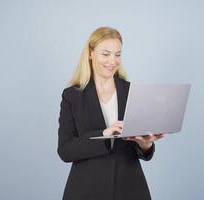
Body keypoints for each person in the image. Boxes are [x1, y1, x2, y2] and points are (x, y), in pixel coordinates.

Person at [57, 27, 164, 200]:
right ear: (91, 53)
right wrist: (104, 134)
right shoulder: (72, 96)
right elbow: (66, 150)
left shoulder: (131, 92)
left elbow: (141, 151)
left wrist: (145, 144)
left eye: (118, 54)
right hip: (87, 189)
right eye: (106, 54)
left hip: (130, 187)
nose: (112, 61)